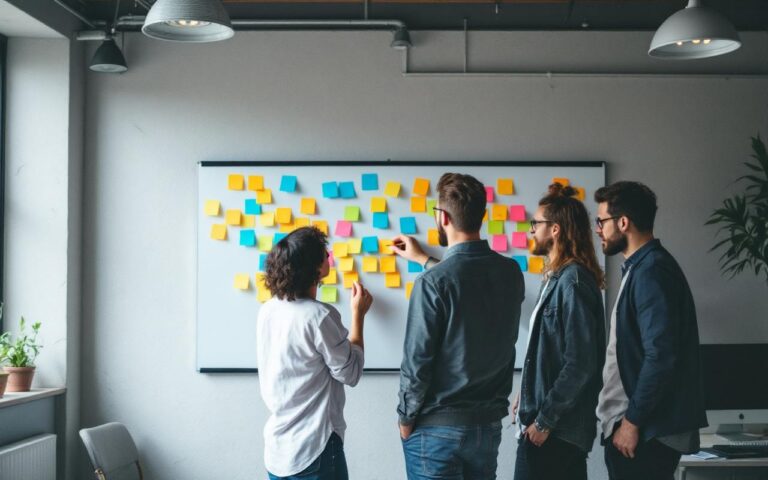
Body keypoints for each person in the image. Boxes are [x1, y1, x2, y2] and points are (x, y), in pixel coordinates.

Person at [393, 172, 525, 480]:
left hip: (436, 427)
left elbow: (417, 361)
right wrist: (425, 259)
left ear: (442, 218)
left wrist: (405, 417)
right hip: (486, 426)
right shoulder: (510, 273)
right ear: (482, 215)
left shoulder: (432, 283)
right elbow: (466, 286)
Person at [594, 181, 707, 480]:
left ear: (623, 222)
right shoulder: (641, 268)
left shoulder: (651, 271)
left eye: (601, 221)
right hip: (639, 428)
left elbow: (661, 355)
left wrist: (632, 422)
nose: (597, 229)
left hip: (644, 432)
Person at [257, 226, 373, 480]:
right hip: (315, 448)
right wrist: (358, 315)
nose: (329, 256)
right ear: (314, 268)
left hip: (279, 449)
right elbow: (350, 373)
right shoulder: (318, 316)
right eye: (324, 254)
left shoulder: (268, 310)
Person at [511, 183, 606, 480]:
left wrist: (544, 421)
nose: (531, 231)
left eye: (535, 224)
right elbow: (549, 353)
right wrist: (526, 393)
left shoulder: (573, 281)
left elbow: (580, 363)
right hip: (551, 427)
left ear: (554, 229)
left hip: (556, 432)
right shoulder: (557, 279)